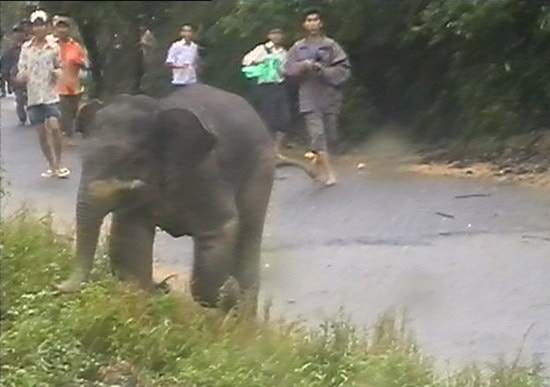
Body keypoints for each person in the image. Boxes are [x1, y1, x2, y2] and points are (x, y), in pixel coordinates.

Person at [284, 8, 351, 186]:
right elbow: (286, 70)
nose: (312, 23)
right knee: (317, 135)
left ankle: (317, 162)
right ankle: (330, 174)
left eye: (315, 20)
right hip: (308, 95)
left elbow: (344, 70)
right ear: (304, 24)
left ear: (321, 23)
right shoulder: (298, 48)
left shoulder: (331, 46)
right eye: (308, 20)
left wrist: (323, 70)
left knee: (331, 134)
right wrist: (302, 66)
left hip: (329, 95)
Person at [15, 10, 70, 178]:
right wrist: (20, 77)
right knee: (41, 133)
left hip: (50, 94)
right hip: (33, 95)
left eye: (42, 25)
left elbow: (60, 66)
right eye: (36, 25)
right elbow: (21, 69)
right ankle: (52, 165)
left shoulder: (54, 46)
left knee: (54, 127)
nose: (39, 28)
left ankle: (60, 163)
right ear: (32, 28)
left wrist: (57, 74)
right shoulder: (26, 48)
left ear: (47, 27)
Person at [53, 16, 88, 144]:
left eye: (65, 27)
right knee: (63, 113)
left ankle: (67, 134)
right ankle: (65, 138)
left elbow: (86, 64)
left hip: (74, 86)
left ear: (69, 29)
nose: (62, 30)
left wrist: (80, 62)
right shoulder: (52, 46)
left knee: (72, 113)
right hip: (57, 86)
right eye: (59, 27)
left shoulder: (76, 46)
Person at [0, 23, 28, 124]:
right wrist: (8, 78)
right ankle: (22, 117)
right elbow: (5, 64)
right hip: (16, 78)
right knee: (19, 99)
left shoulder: (29, 46)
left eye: (20, 32)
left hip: (30, 76)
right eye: (16, 33)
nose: (18, 35)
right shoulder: (9, 50)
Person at [165, 24, 200, 88]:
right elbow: (169, 63)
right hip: (179, 80)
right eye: (185, 31)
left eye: (189, 31)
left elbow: (195, 61)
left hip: (192, 80)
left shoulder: (194, 47)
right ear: (181, 33)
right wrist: (181, 66)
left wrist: (195, 67)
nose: (187, 33)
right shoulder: (176, 46)